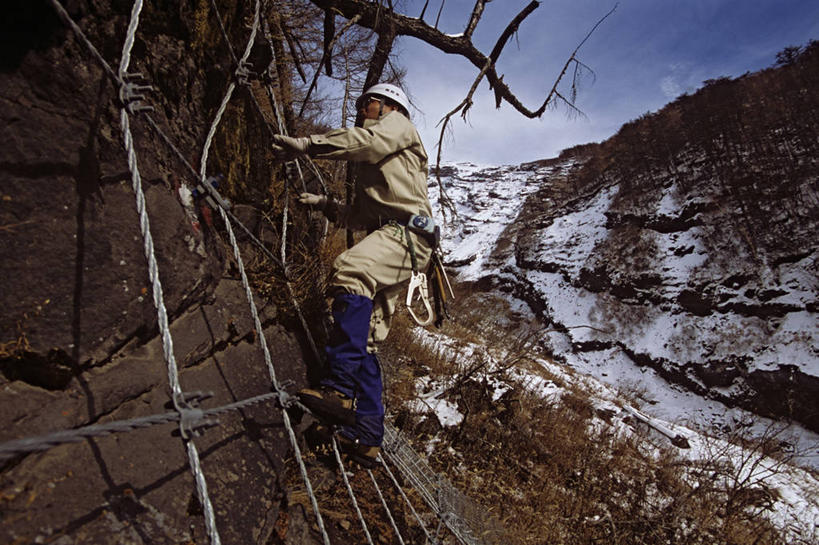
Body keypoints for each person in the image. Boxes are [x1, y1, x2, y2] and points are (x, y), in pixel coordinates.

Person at [271, 83, 434, 467]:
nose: (363, 109)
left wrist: (308, 145)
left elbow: (368, 142)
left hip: (407, 235)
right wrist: (325, 204)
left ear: (390, 106)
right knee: (370, 338)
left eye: (368, 103)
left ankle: (339, 391)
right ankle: (367, 437)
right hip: (405, 238)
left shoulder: (398, 126)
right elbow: (361, 215)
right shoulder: (379, 163)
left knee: (351, 270)